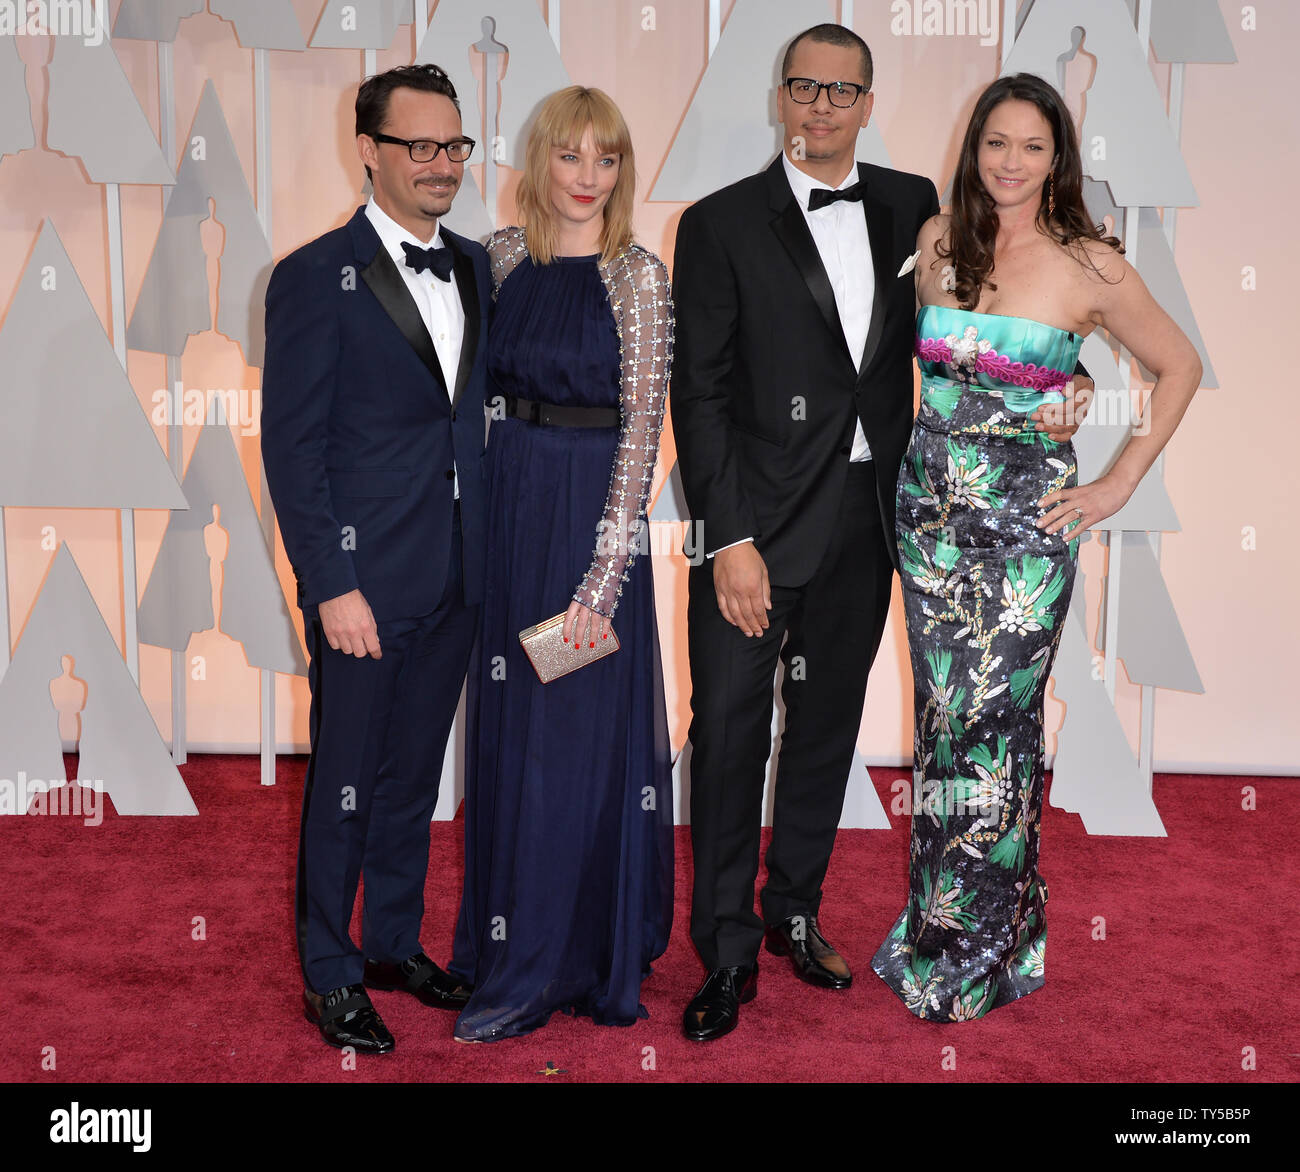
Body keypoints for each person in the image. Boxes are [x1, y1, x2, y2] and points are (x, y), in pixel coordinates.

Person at [670, 25, 1090, 1042]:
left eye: (842, 90)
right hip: (753, 536)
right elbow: (701, 391)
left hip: (874, 524)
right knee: (727, 737)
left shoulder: (918, 209)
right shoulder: (718, 222)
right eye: (804, 88)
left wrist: (1067, 380)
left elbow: (992, 322)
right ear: (781, 97)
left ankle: (794, 913)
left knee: (821, 731)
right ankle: (723, 951)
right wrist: (727, 538)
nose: (821, 106)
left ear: (867, 100)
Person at [871, 72, 1200, 1021]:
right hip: (929, 519)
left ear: (1059, 160)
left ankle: (987, 947)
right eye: (996, 145)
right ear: (974, 151)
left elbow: (1178, 366)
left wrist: (1115, 483)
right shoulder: (939, 241)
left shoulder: (1091, 263)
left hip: (1023, 532)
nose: (1011, 163)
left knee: (995, 732)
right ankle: (938, 925)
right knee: (943, 730)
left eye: (1032, 147)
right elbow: (925, 369)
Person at [261, 63, 490, 1053]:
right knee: (346, 778)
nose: (442, 166)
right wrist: (329, 582)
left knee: (410, 778)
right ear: (369, 150)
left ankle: (393, 940)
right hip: (364, 580)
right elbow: (292, 445)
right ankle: (329, 966)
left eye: (454, 146)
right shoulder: (316, 275)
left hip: (457, 577)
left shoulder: (479, 265)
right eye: (419, 147)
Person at [448, 85, 675, 1043]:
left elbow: (642, 435)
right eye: (570, 156)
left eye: (607, 158)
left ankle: (554, 964)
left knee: (570, 749)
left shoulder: (638, 275)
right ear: (539, 161)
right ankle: (506, 945)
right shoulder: (501, 258)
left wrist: (602, 584)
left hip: (590, 526)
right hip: (510, 516)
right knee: (509, 739)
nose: (587, 177)